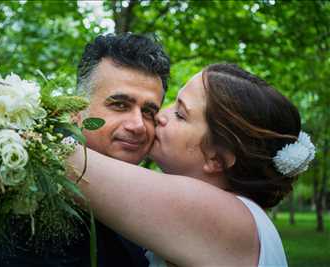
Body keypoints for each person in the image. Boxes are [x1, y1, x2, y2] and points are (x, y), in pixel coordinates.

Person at [68, 63, 316, 267]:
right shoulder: (243, 218)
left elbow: (65, 159)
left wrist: (41, 112)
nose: (160, 116)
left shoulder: (225, 218)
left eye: (180, 114)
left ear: (216, 159)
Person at [0, 33, 170, 267]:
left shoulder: (147, 194)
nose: (138, 125)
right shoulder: (31, 197)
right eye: (119, 105)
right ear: (77, 113)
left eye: (149, 111)